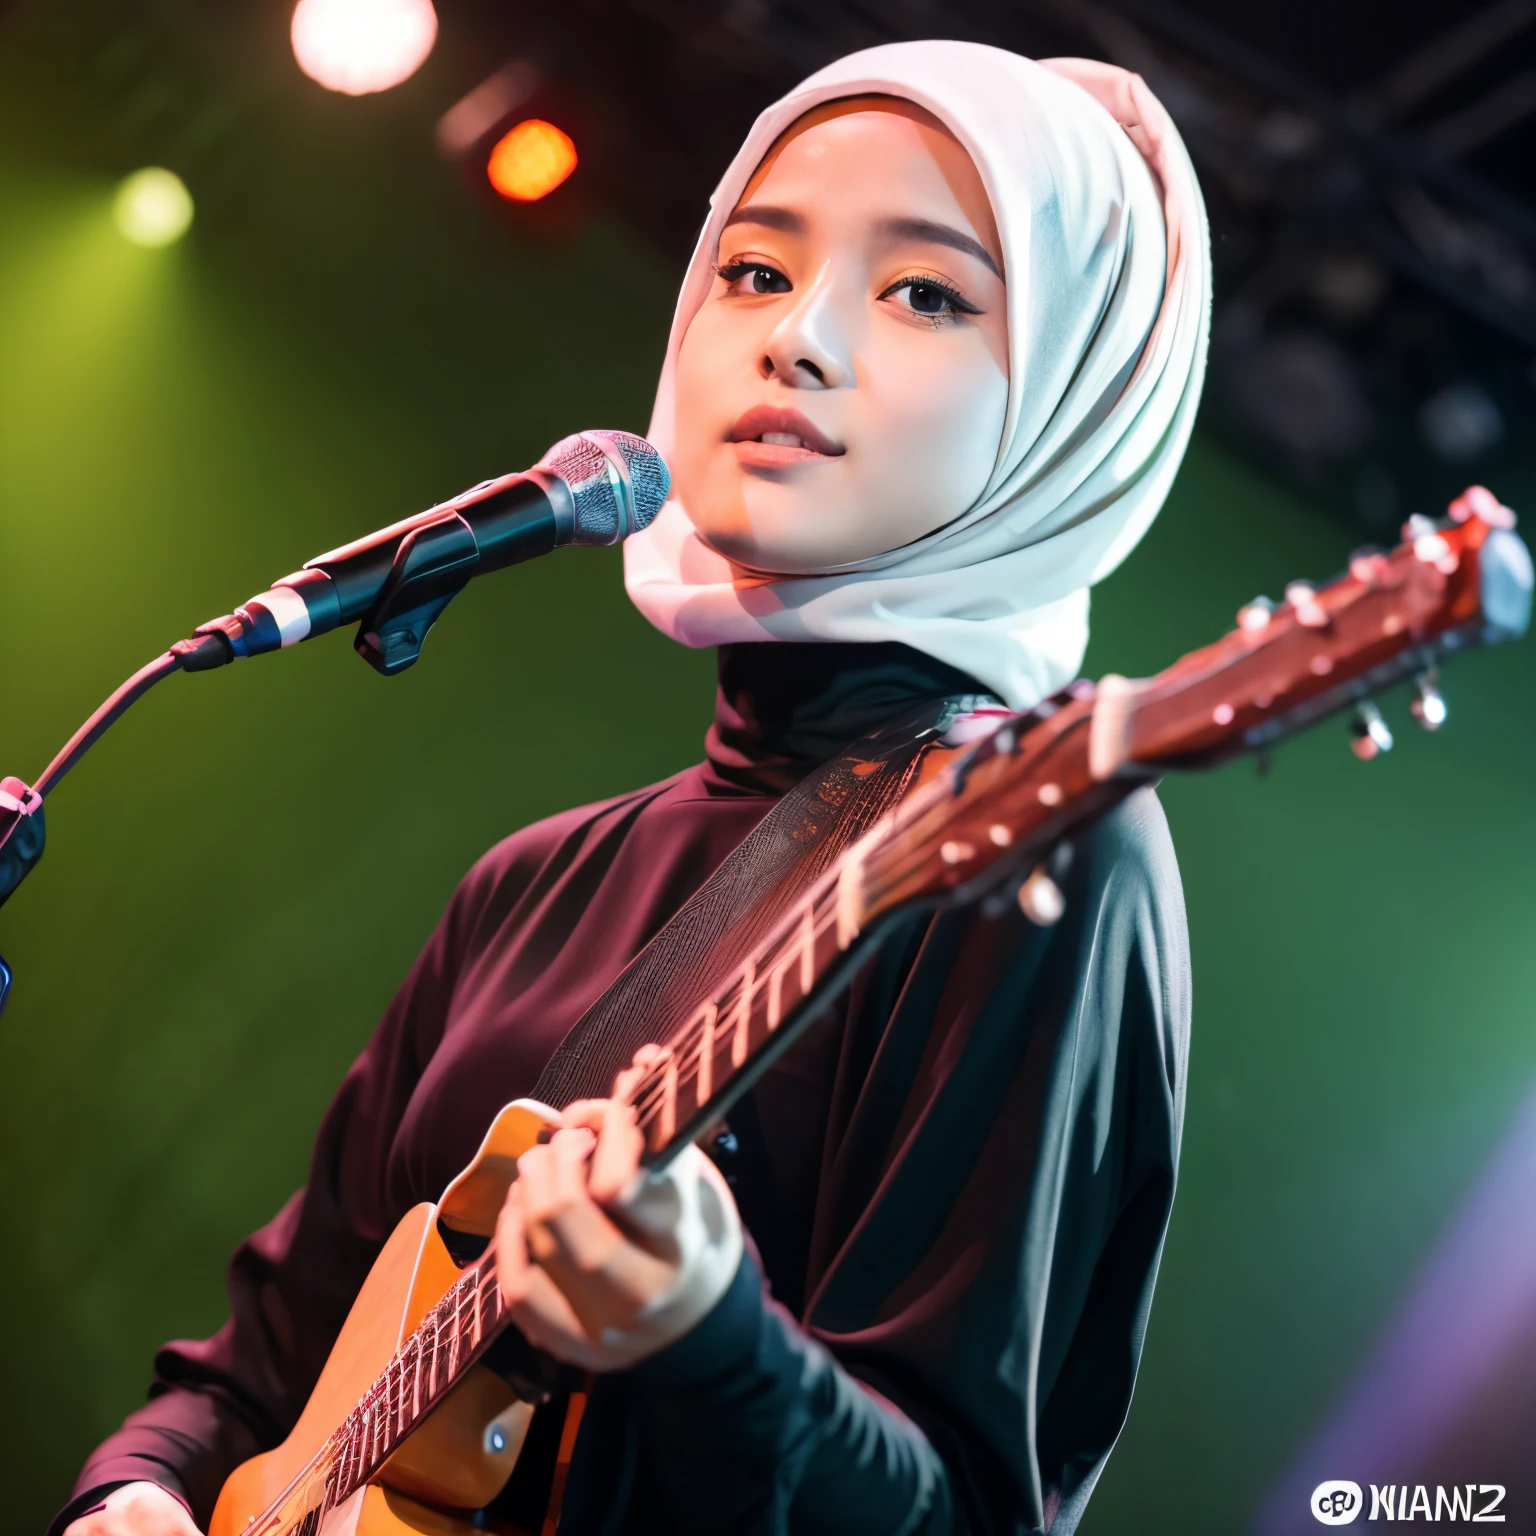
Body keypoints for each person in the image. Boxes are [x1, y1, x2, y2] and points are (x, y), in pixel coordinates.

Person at [58, 38, 1207, 1536]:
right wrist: (137, 1487)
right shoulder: (531, 881)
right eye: (752, 270)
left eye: (925, 292)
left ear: (1076, 406)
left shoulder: (1037, 836)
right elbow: (255, 1369)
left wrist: (710, 1338)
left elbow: (972, 1510)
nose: (798, 339)